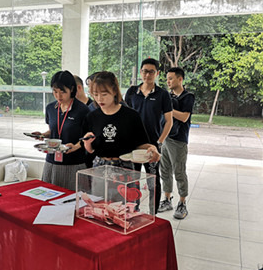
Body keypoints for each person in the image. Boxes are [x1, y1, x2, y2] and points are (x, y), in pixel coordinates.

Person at [124, 58, 173, 214]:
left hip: (152, 145)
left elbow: (169, 121)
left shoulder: (163, 95)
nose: (147, 75)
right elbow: (124, 116)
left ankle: (154, 212)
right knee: (132, 179)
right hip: (133, 145)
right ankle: (133, 209)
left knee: (153, 180)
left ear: (157, 73)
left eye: (151, 72)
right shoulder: (132, 92)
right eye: (145, 71)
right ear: (140, 72)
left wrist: (159, 142)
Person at [82, 71, 160, 168]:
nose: (99, 99)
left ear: (114, 91)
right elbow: (90, 150)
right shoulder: (91, 117)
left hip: (124, 165)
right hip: (99, 165)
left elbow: (140, 144)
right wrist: (87, 143)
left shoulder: (131, 116)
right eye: (96, 94)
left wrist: (152, 148)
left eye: (104, 94)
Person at [32, 70, 90, 190]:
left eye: (63, 92)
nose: (58, 96)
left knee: (74, 201)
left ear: (72, 89)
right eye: (55, 91)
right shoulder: (50, 108)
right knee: (49, 197)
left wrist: (75, 146)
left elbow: (88, 137)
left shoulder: (82, 110)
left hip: (74, 163)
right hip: (51, 162)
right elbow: (54, 131)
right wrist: (43, 135)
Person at [158, 67, 195, 219]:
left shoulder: (188, 97)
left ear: (180, 79)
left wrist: (167, 109)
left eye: (171, 78)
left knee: (179, 172)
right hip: (166, 138)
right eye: (167, 79)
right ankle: (167, 199)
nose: (168, 81)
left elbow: (184, 117)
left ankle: (182, 203)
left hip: (179, 141)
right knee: (165, 170)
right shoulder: (168, 96)